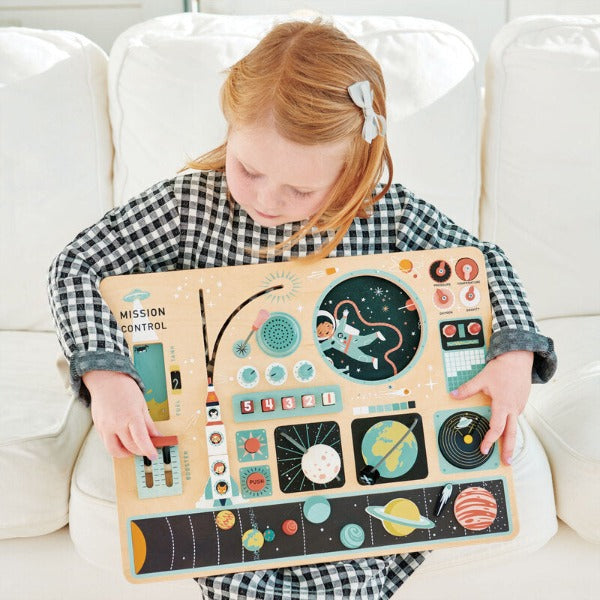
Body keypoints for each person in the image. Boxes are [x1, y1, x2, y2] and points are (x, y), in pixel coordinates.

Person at [48, 19, 556, 600]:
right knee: (236, 559)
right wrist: (108, 376)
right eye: (249, 169)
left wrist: (514, 354)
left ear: (352, 169)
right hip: (228, 450)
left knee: (352, 557)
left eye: (300, 190)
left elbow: (483, 264)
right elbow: (77, 264)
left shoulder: (383, 213)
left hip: (358, 448)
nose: (267, 199)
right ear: (230, 128)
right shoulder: (189, 205)